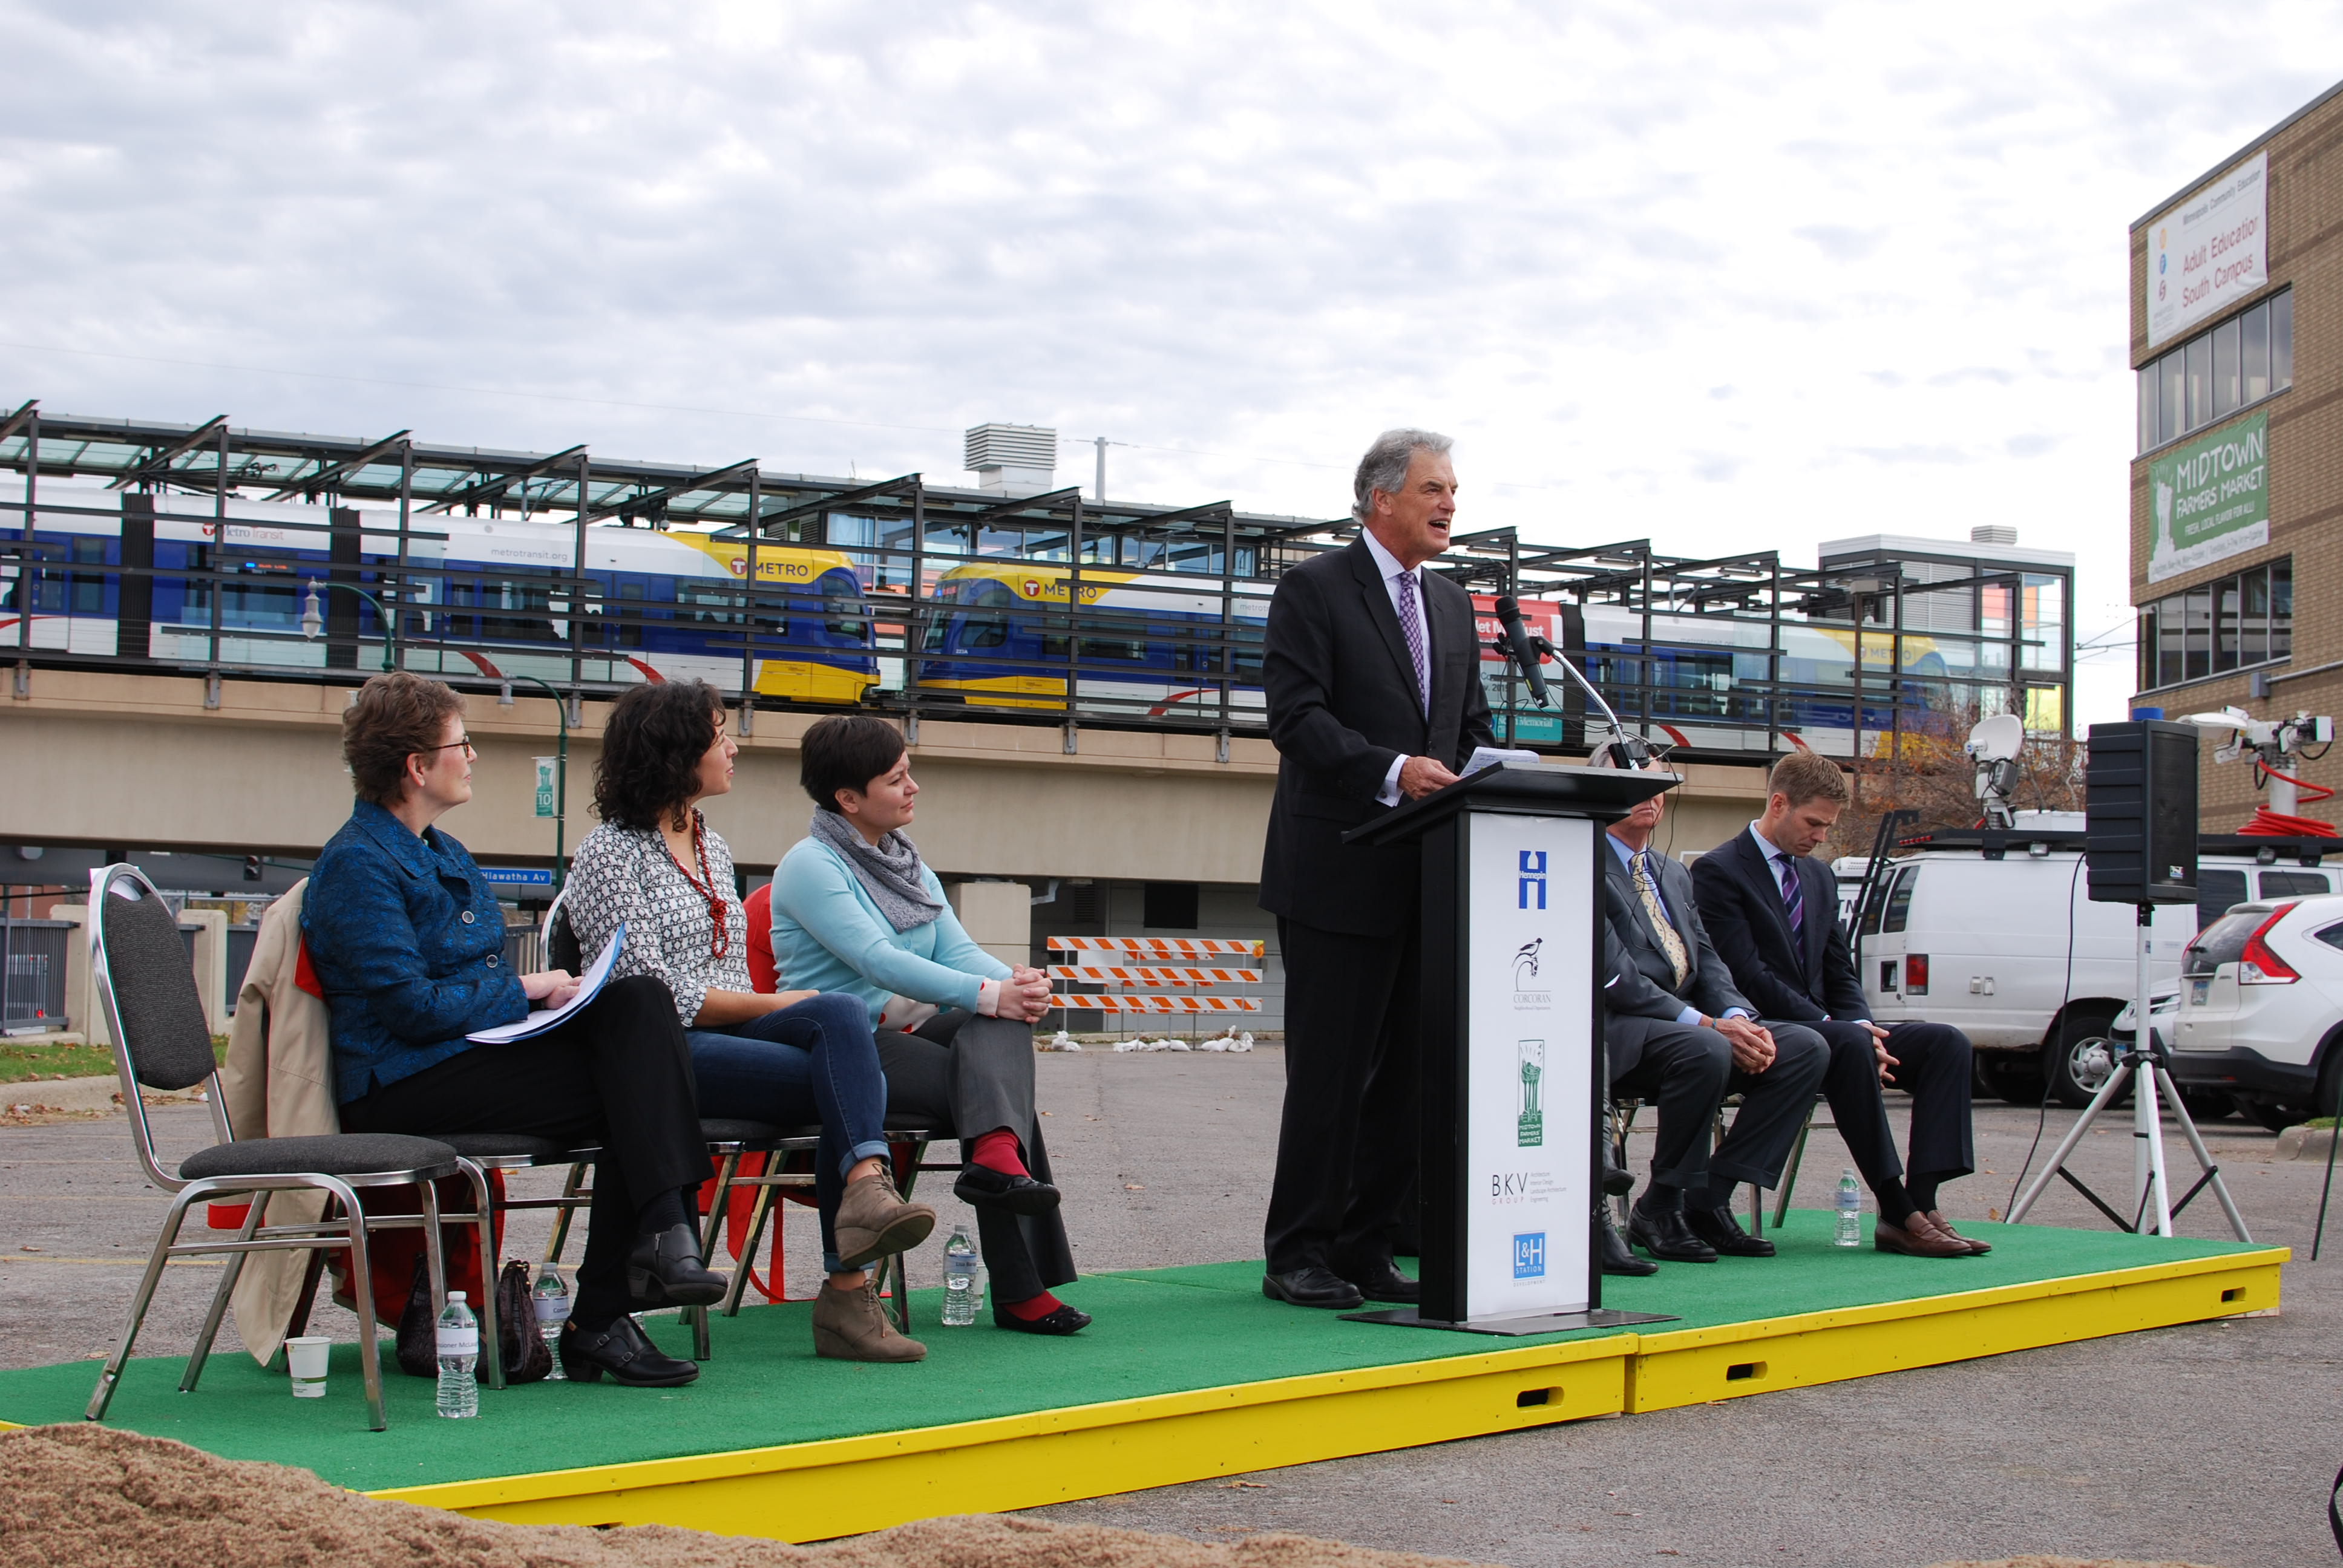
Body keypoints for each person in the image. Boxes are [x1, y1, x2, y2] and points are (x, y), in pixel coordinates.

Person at [304, 670, 718, 1388]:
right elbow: (409, 1008)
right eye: (462, 744)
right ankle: (627, 1286)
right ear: (417, 766)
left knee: (640, 1002)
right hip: (404, 1081)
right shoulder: (358, 864)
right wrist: (525, 990)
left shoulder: (442, 850)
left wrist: (542, 1004)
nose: (472, 757)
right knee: (636, 1092)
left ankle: (657, 1243)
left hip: (472, 1057)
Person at [563, 680, 939, 1361]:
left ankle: (863, 1188)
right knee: (851, 1085)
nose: (734, 748)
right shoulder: (611, 852)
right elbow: (651, 996)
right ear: (677, 753)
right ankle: (849, 1292)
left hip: (729, 1032)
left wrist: (771, 1009)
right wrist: (772, 1006)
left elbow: (727, 975)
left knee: (839, 1016)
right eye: (719, 735)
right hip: (660, 1056)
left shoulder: (709, 842)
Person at [1256, 428, 1497, 1310]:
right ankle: (1299, 1252)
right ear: (1381, 499)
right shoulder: (1314, 588)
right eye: (1435, 489)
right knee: (1333, 1074)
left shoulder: (1452, 604)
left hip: (1430, 876)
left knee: (1408, 1077)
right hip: (1337, 872)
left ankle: (1365, 1243)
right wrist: (1393, 772)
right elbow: (1296, 718)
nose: (1450, 506)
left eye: (1455, 491)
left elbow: (1464, 728)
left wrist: (1482, 774)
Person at [770, 714, 1088, 1336]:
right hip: (844, 1046)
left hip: (904, 1037)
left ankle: (995, 1158)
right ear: (848, 799)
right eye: (896, 778)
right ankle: (1020, 1280)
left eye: (908, 773)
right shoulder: (811, 866)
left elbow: (957, 952)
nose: (913, 786)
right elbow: (877, 960)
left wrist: (1014, 986)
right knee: (995, 1087)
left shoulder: (905, 862)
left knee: (997, 1026)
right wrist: (990, 993)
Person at [1689, 751, 1985, 1258]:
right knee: (1847, 1041)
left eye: (1828, 826)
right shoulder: (1719, 871)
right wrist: (1838, 1027)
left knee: (1944, 1043)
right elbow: (1747, 976)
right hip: (1771, 1031)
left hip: (1836, 1030)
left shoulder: (1819, 877)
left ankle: (1922, 1202)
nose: (1821, 836)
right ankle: (1895, 1209)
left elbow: (1839, 970)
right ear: (1778, 804)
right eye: (1813, 823)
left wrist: (1866, 1027)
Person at [1599, 759, 1828, 1266]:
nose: (1651, 796)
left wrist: (1739, 1019)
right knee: (1703, 1047)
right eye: (1636, 785)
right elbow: (1617, 979)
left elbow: (1708, 962)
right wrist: (1707, 1024)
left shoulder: (1672, 873)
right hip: (1619, 1032)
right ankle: (1665, 1206)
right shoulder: (1580, 861)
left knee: (1803, 1047)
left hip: (1690, 1030)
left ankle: (1702, 1197)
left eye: (1659, 786)